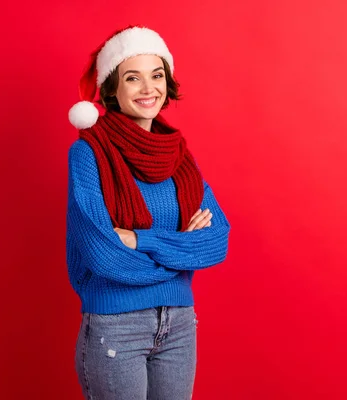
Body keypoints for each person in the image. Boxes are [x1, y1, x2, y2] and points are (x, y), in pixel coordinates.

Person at [65, 25, 230, 400]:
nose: (148, 88)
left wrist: (139, 239)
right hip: (116, 326)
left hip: (180, 325)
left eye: (156, 76)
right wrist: (182, 251)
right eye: (132, 78)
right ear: (113, 89)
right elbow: (103, 255)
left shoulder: (180, 158)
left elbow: (216, 242)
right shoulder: (88, 154)